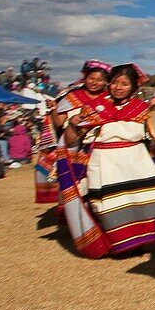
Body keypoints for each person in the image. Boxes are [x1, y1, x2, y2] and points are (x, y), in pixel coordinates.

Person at [55, 63, 155, 257]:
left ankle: (139, 240)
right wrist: (73, 125)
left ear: (133, 87)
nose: (118, 87)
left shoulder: (142, 109)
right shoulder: (91, 108)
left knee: (138, 200)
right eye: (115, 82)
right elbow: (74, 138)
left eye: (124, 83)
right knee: (107, 202)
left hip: (136, 160)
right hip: (104, 160)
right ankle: (117, 242)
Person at [35, 61, 111, 204]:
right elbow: (59, 124)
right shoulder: (72, 97)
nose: (94, 83)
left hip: (100, 146)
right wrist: (54, 110)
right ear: (85, 78)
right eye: (91, 79)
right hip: (73, 146)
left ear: (106, 82)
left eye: (100, 80)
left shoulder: (109, 99)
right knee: (74, 181)